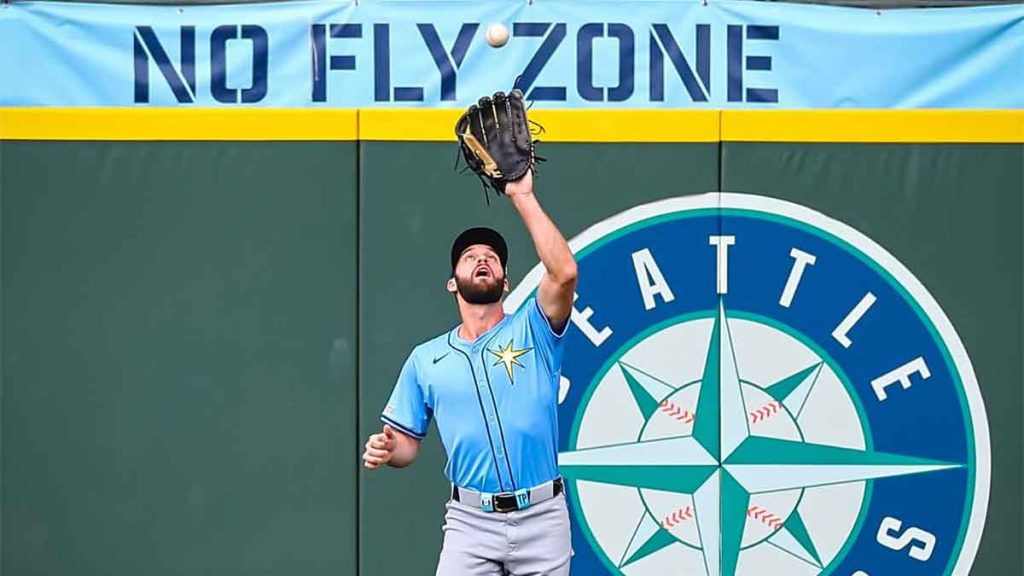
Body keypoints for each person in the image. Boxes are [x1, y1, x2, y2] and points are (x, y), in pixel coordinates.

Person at [362, 170, 577, 576]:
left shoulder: (535, 327)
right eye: (470, 257)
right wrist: (390, 451)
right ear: (451, 283)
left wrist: (521, 195)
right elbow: (408, 444)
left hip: (542, 517)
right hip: (470, 521)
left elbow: (563, 273)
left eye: (492, 258)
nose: (482, 260)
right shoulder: (426, 359)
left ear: (505, 280)